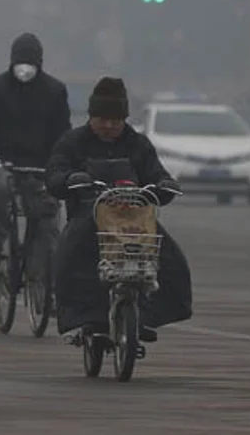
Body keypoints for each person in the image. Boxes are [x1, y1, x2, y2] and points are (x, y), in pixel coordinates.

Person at [45, 77, 192, 342]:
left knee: (171, 259)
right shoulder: (72, 142)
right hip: (89, 218)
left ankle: (146, 314)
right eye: (103, 119)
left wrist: (164, 186)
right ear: (91, 116)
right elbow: (55, 173)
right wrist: (69, 180)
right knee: (70, 257)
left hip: (135, 221)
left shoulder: (139, 145)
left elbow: (156, 174)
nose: (110, 126)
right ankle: (82, 317)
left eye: (116, 120)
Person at [0, 33, 72, 261]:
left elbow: (62, 133)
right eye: (20, 64)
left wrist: (59, 166)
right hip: (3, 161)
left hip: (41, 164)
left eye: (30, 65)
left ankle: (43, 268)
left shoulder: (54, 91)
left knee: (47, 211)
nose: (25, 71)